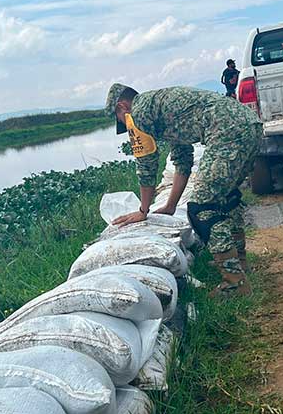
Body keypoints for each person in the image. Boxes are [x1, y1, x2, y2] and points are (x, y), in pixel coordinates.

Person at [105, 83, 261, 295]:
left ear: (123, 107)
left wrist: (143, 211)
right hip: (249, 124)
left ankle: (234, 283)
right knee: (226, 198)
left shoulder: (139, 113)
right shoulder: (161, 107)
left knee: (202, 208)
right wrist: (170, 205)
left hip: (227, 132)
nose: (124, 125)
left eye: (120, 119)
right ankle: (238, 262)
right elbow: (183, 160)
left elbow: (146, 163)